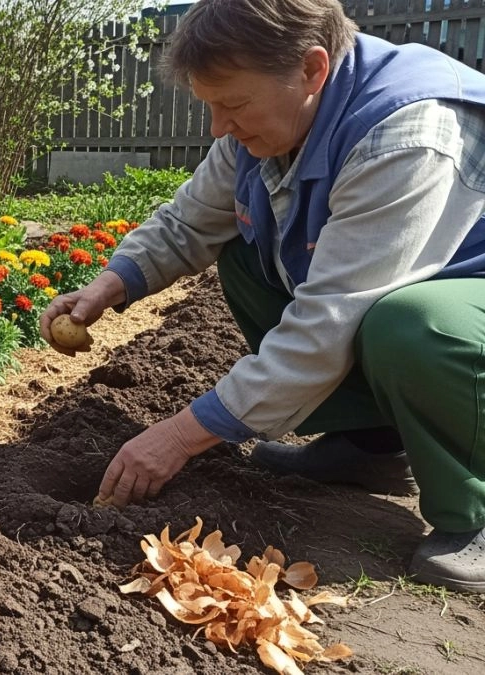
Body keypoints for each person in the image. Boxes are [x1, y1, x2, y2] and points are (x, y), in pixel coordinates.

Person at [40, 0, 485, 593]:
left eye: (233, 104)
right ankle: (372, 445)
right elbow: (189, 222)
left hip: (467, 306)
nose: (217, 126)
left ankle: (475, 509)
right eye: (210, 105)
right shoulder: (269, 125)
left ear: (311, 69)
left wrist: (181, 435)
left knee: (414, 324)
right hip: (399, 284)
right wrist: (109, 284)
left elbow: (328, 320)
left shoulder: (407, 137)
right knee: (249, 254)